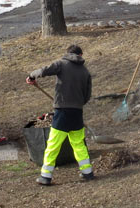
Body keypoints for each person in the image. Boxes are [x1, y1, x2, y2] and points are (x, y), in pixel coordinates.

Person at [26, 44, 94, 185]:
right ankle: (87, 172)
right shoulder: (85, 71)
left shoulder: (61, 64)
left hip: (62, 112)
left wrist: (31, 75)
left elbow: (44, 70)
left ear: (68, 53)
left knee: (53, 144)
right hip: (77, 113)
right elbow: (87, 96)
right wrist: (77, 103)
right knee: (78, 144)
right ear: (80, 55)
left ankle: (46, 176)